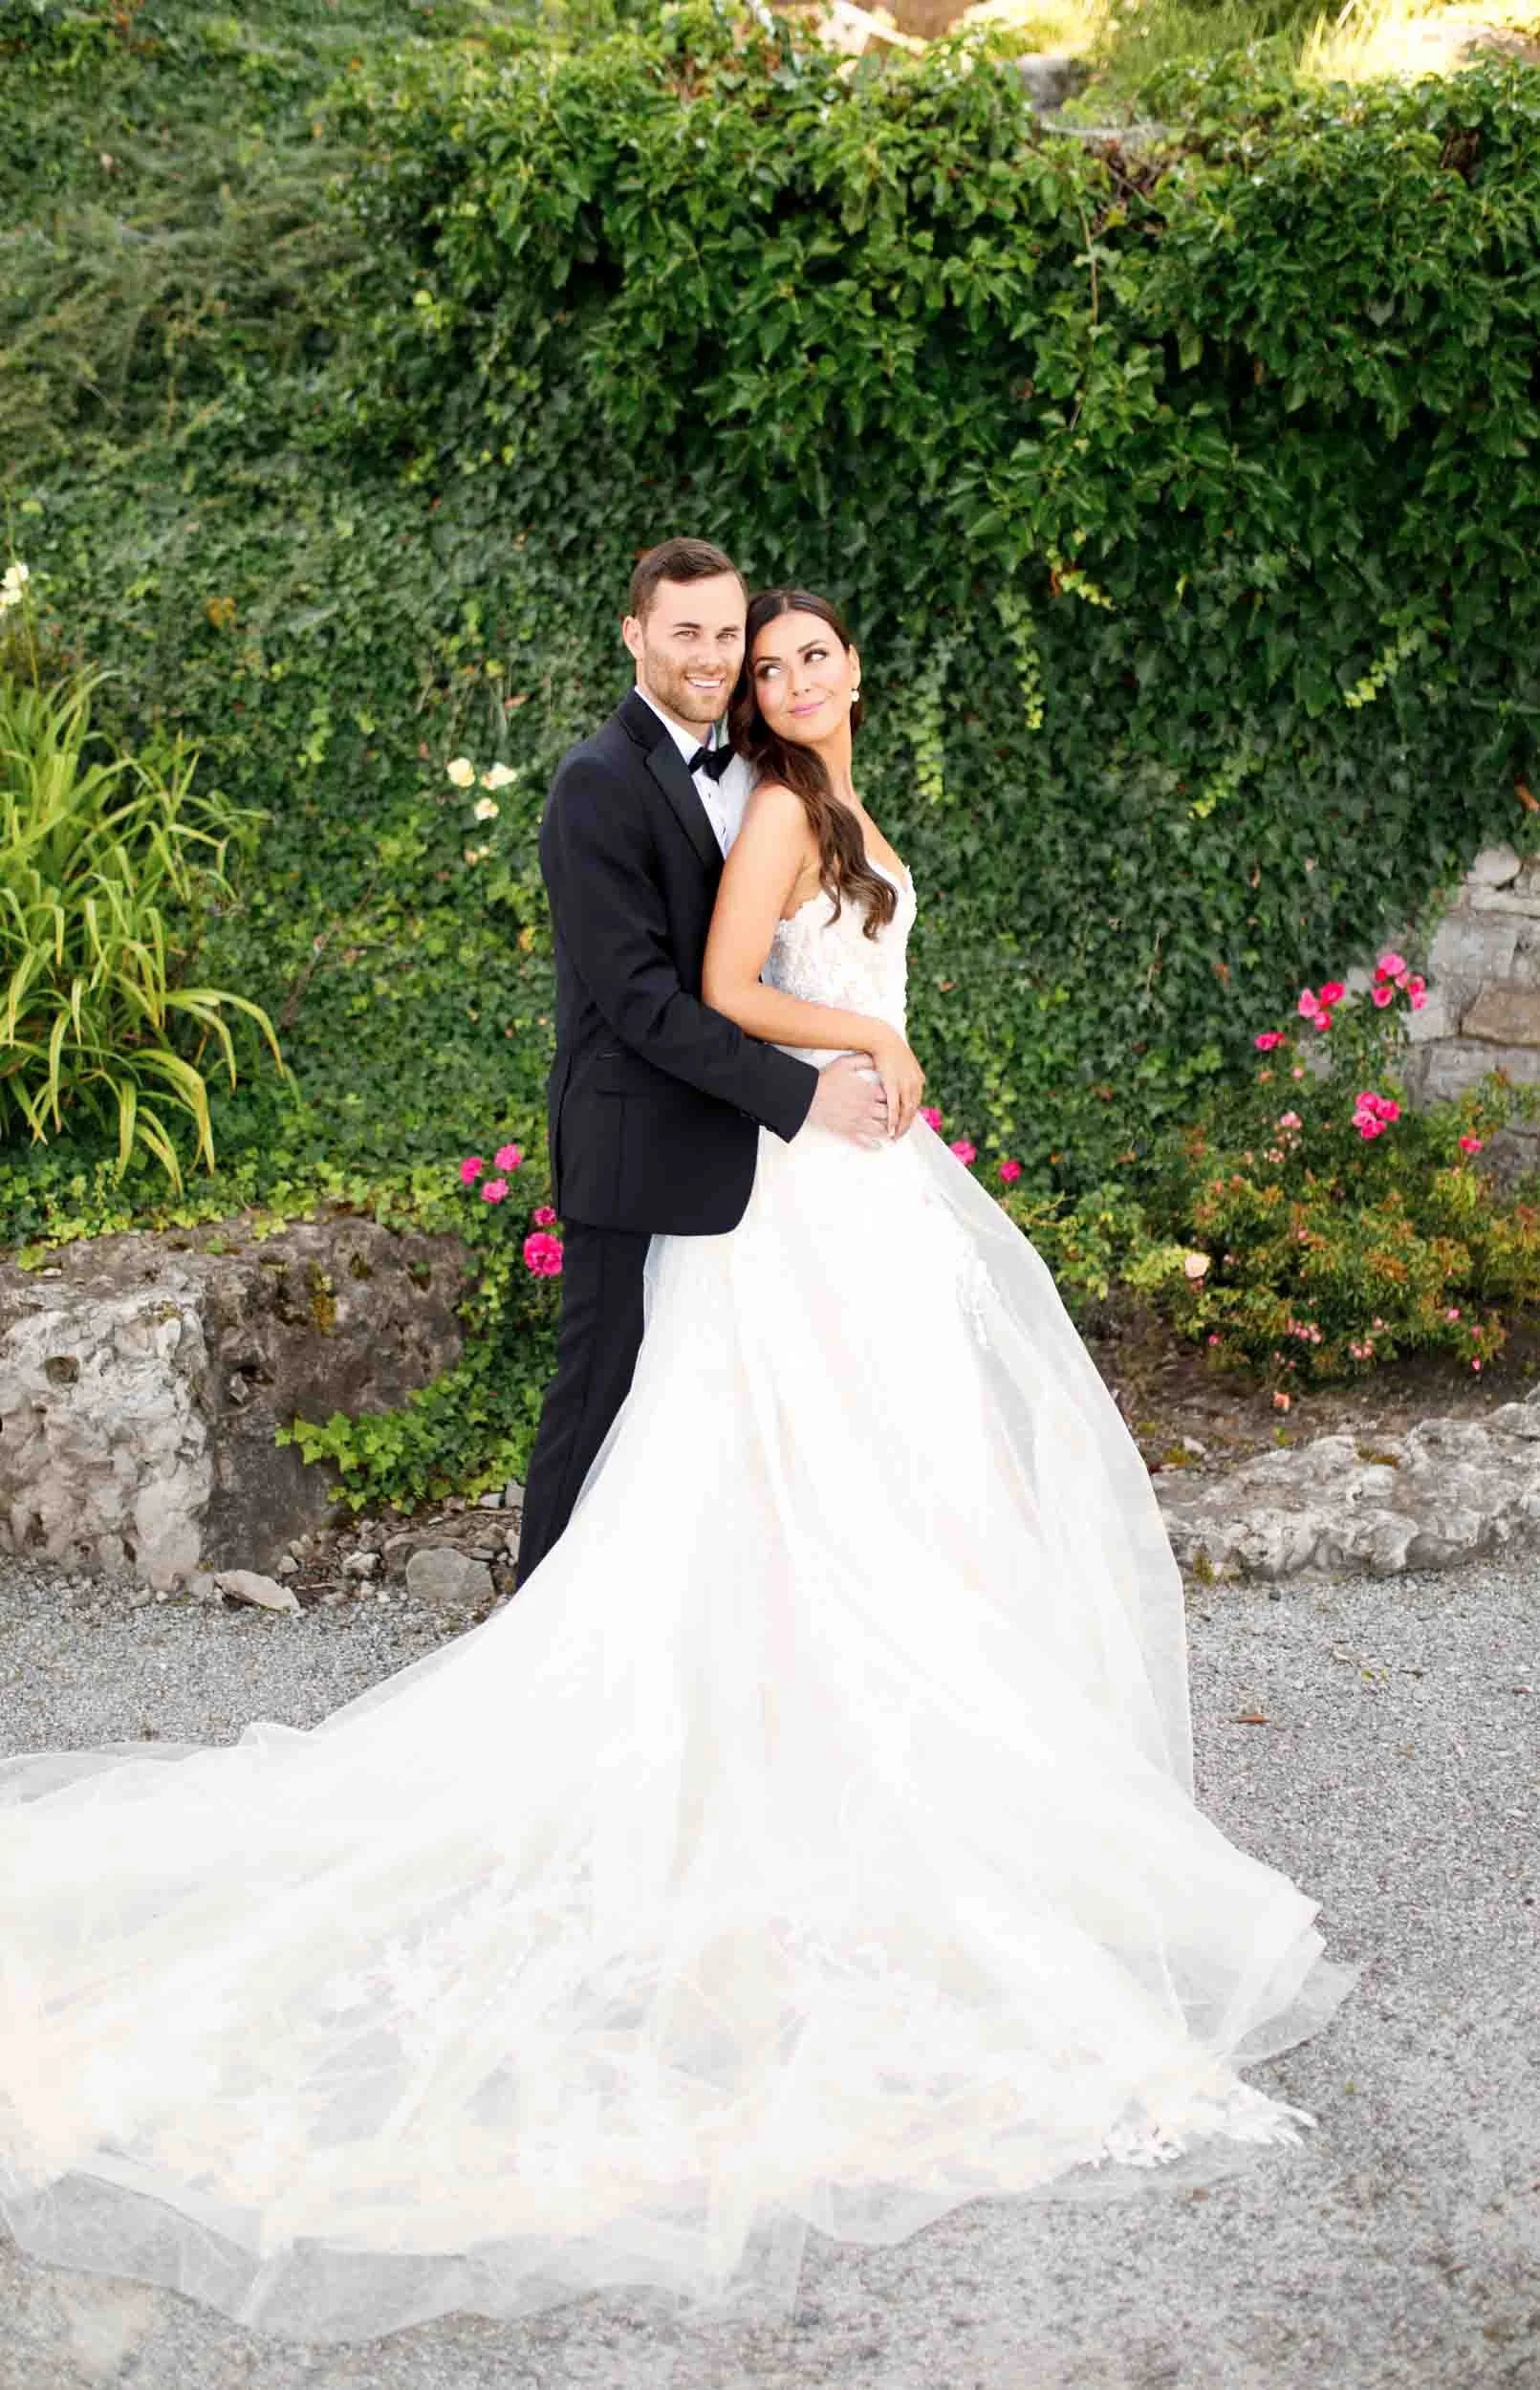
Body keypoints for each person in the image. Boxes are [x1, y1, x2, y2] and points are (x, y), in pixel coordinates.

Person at [0, 575, 1356, 2348]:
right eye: (720, 642)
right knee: (674, 1438)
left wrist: (851, 1068)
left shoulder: (795, 785)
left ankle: (817, 1724)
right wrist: (853, 1053)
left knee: (846, 1472)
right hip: (737, 1155)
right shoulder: (635, 788)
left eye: (782, 648)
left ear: (839, 665)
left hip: (830, 1182)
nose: (750, 667)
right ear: (644, 640)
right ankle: (589, 1689)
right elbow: (672, 991)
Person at [516, 537, 889, 1586]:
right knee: (600, 1400)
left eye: (729, 633)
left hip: (743, 1158)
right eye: (688, 633)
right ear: (635, 634)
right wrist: (802, 1093)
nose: (714, 656)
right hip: (632, 1141)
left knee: (711, 1426)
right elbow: (638, 1000)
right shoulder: (596, 784)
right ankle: (531, 1640)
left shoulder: (764, 774)